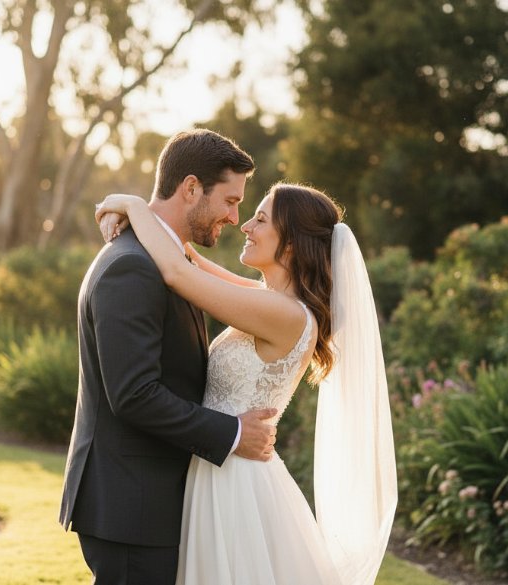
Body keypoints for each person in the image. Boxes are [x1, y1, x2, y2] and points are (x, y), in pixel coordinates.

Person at [94, 182, 397, 585]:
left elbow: (176, 271)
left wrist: (131, 203)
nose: (246, 226)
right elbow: (186, 256)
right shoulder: (267, 298)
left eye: (260, 218)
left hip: (235, 483)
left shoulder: (284, 314)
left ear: (290, 244)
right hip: (220, 464)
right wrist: (126, 209)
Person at [59, 129, 281, 585]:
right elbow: (135, 395)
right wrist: (234, 433)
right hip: (130, 507)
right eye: (231, 200)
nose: (235, 217)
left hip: (151, 503)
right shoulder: (131, 267)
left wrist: (132, 205)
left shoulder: (166, 262)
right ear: (192, 188)